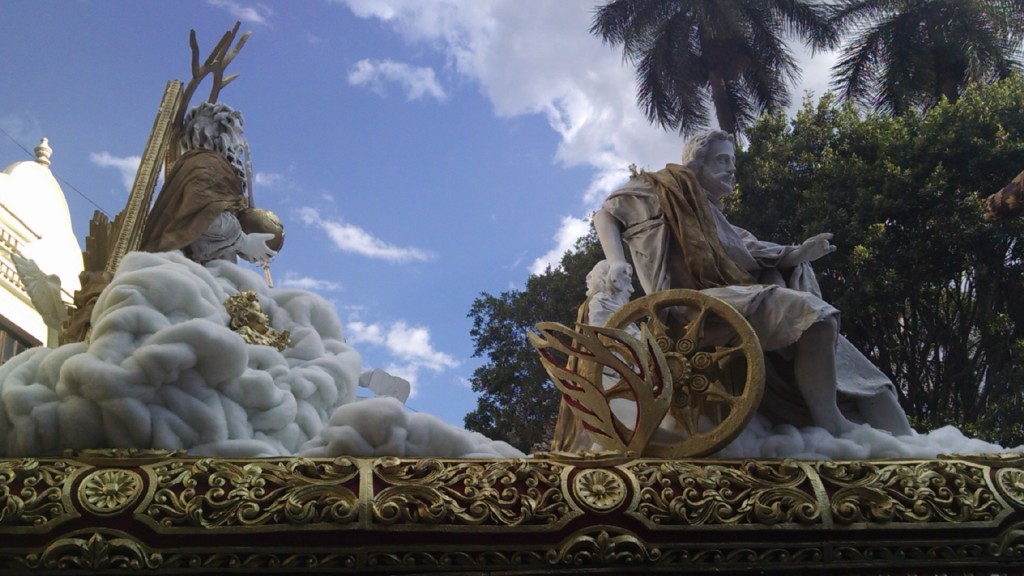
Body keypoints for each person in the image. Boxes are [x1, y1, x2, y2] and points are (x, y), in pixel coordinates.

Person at [593, 130, 912, 437]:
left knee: (861, 370)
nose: (731, 170)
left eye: (733, 163)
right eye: (722, 160)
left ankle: (885, 435)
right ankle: (830, 421)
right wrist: (618, 260)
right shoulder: (659, 188)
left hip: (731, 303)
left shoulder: (726, 228)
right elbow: (606, 214)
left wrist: (798, 254)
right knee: (816, 316)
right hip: (691, 308)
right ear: (695, 164)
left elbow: (761, 253)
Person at [139, 102, 275, 264]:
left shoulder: (201, 163)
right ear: (219, 133)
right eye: (238, 133)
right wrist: (244, 243)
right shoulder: (209, 164)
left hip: (199, 265)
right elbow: (202, 219)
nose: (241, 143)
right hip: (182, 265)